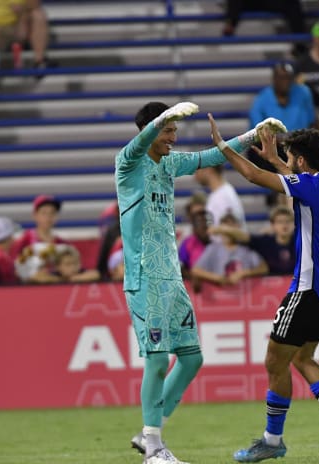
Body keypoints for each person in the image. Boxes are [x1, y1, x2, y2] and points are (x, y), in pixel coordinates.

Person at [116, 100, 285, 463]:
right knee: (157, 360)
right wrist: (162, 118)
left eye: (174, 130)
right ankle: (153, 447)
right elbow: (139, 143)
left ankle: (149, 433)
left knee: (191, 359)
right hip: (145, 277)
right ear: (150, 129)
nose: (173, 137)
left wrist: (254, 134)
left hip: (172, 277)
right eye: (168, 130)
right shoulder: (127, 164)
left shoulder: (170, 163)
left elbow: (211, 156)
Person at [207, 115, 319, 462]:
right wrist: (276, 159)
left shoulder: (309, 186)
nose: (288, 162)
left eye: (291, 157)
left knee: (275, 362)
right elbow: (299, 181)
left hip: (306, 289)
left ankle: (272, 440)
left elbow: (251, 175)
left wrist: (222, 146)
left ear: (301, 160)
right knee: (303, 358)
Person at [191, 213, 267, 286]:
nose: (227, 234)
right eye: (224, 230)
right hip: (220, 293)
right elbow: (196, 270)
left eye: (229, 230)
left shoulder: (246, 248)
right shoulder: (213, 248)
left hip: (244, 292)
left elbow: (263, 268)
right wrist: (216, 277)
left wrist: (243, 273)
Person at [0, 0, 50, 70]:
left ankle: (39, 62)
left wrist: (23, 10)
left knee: (38, 15)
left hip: (21, 25)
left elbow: (35, 4)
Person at [11, 194, 69, 280]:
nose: (48, 217)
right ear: (35, 215)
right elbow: (14, 268)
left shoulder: (61, 244)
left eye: (52, 213)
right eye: (44, 213)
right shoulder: (25, 240)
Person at [250, 61, 317, 134]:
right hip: (273, 140)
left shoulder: (303, 93)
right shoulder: (261, 100)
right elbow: (257, 130)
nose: (285, 81)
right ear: (274, 79)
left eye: (288, 78)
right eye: (281, 78)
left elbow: (311, 121)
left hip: (301, 139)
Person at [194, 165, 247, 232]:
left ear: (209, 168)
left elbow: (234, 232)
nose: (194, 172)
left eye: (198, 168)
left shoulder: (224, 196)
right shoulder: (218, 194)